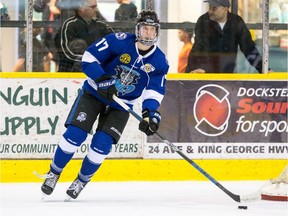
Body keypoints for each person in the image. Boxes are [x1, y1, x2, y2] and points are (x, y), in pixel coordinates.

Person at [40, 10, 169, 200]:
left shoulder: (159, 61)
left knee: (102, 145)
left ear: (157, 32)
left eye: (152, 30)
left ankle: (81, 181)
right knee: (75, 135)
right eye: (144, 29)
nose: (148, 34)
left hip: (121, 105)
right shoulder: (119, 41)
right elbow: (89, 58)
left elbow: (154, 91)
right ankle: (54, 173)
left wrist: (150, 114)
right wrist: (101, 79)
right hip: (94, 94)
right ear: (137, 30)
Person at [185, 0, 269, 74]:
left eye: (214, 8)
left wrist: (264, 69)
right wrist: (200, 68)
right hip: (201, 72)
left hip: (227, 74)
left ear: (225, 9)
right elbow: (201, 47)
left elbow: (249, 48)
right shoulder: (203, 21)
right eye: (209, 7)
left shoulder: (236, 22)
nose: (210, 11)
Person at [54, 0, 113, 72]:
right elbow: (67, 54)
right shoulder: (69, 26)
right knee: (79, 43)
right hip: (71, 75)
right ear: (81, 8)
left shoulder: (102, 26)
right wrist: (92, 60)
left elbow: (114, 45)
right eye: (93, 7)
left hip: (97, 73)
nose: (96, 9)